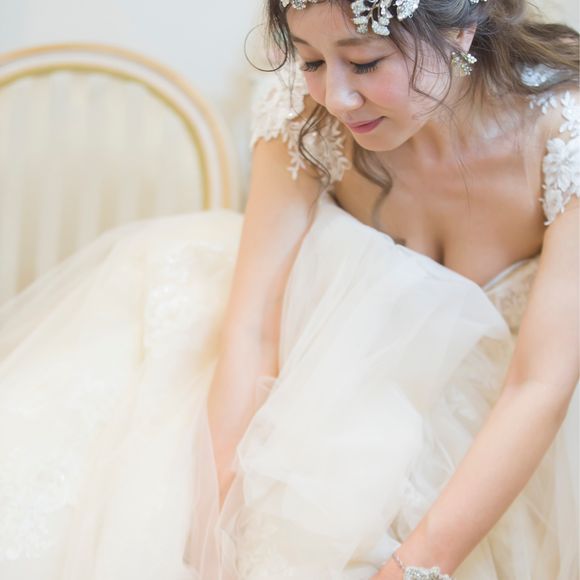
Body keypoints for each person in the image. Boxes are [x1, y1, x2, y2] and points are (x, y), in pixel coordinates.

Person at [0, 0, 578, 578]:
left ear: (460, 32)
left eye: (365, 63)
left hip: (498, 436)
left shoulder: (561, 133)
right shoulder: (302, 110)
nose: (337, 99)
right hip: (304, 393)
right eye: (312, 62)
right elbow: (254, 327)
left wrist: (418, 566)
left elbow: (539, 383)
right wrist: (212, 531)